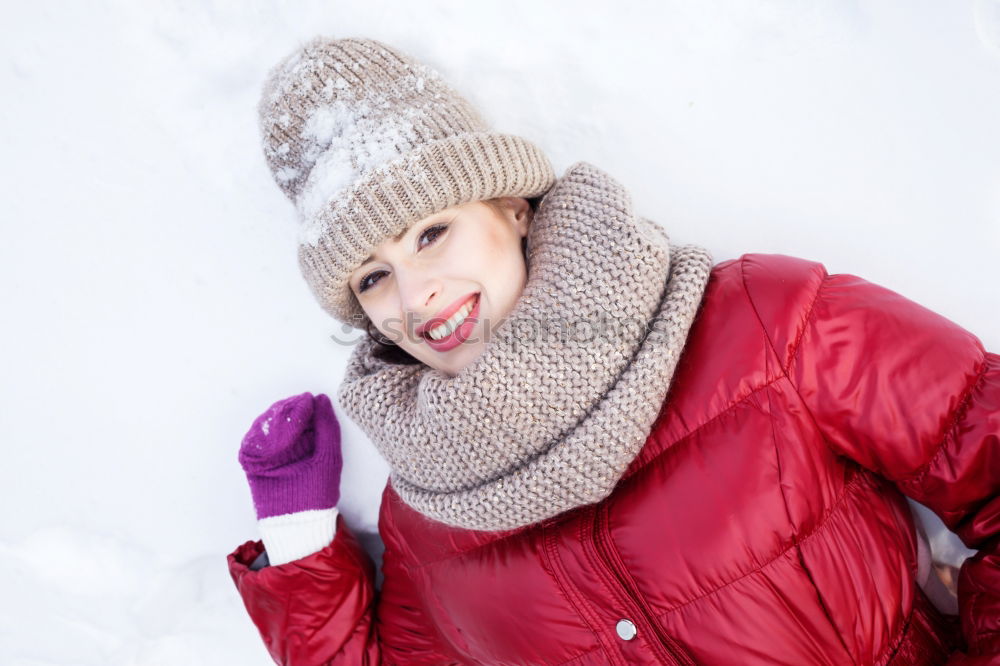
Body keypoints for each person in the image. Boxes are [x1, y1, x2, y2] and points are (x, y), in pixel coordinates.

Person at [226, 36, 998, 665]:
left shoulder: (766, 324)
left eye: (432, 234)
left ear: (510, 207)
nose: (415, 295)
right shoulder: (427, 513)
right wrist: (299, 543)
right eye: (372, 278)